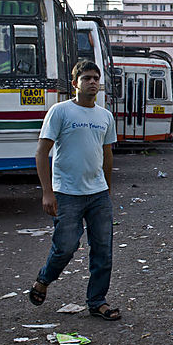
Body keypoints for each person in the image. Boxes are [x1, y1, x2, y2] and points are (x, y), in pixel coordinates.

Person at [29, 60, 120, 321]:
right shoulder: (60, 112)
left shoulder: (105, 116)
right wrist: (47, 192)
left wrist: (108, 189)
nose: (92, 82)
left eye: (95, 78)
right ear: (75, 84)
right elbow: (42, 151)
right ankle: (44, 279)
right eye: (87, 78)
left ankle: (97, 301)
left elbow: (107, 154)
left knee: (103, 250)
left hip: (99, 195)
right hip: (67, 193)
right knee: (66, 247)